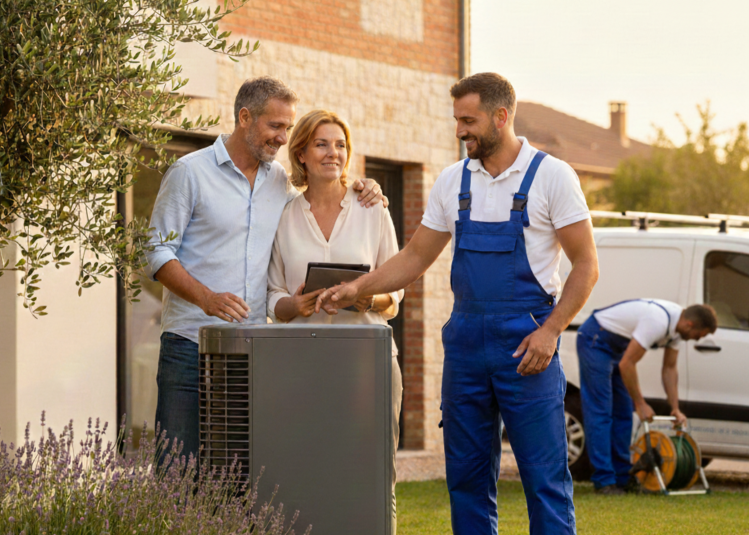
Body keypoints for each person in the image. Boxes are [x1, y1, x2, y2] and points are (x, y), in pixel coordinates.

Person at [315, 72, 599, 535]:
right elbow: (415, 256)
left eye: (468, 120)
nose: (459, 130)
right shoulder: (452, 181)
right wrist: (358, 288)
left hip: (526, 343)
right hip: (465, 344)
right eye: (456, 120)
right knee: (465, 479)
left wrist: (550, 333)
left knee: (544, 479)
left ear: (501, 117)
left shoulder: (551, 176)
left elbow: (587, 266)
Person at [144, 77, 385, 461]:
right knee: (178, 468)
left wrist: (363, 186)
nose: (283, 138)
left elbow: (318, 195)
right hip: (189, 345)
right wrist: (206, 298)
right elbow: (156, 252)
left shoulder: (278, 181)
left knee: (239, 474)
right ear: (245, 117)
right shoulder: (190, 173)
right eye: (275, 126)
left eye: (288, 128)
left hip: (250, 350)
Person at [266, 109, 405, 532]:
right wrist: (297, 304)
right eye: (323, 144)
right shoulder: (284, 215)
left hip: (368, 358)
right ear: (302, 153)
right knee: (307, 464)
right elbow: (273, 296)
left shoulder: (371, 208)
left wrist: (365, 298)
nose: (334, 153)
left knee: (373, 467)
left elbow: (395, 290)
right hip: (302, 358)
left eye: (341, 144)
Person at [576, 300, 718, 494]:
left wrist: (675, 408)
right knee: (601, 412)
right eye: (697, 336)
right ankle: (604, 481)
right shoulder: (658, 321)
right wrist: (640, 403)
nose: (695, 340)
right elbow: (627, 364)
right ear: (690, 325)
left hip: (618, 348)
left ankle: (623, 478)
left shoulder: (677, 331)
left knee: (624, 413)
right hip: (596, 338)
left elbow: (669, 369)